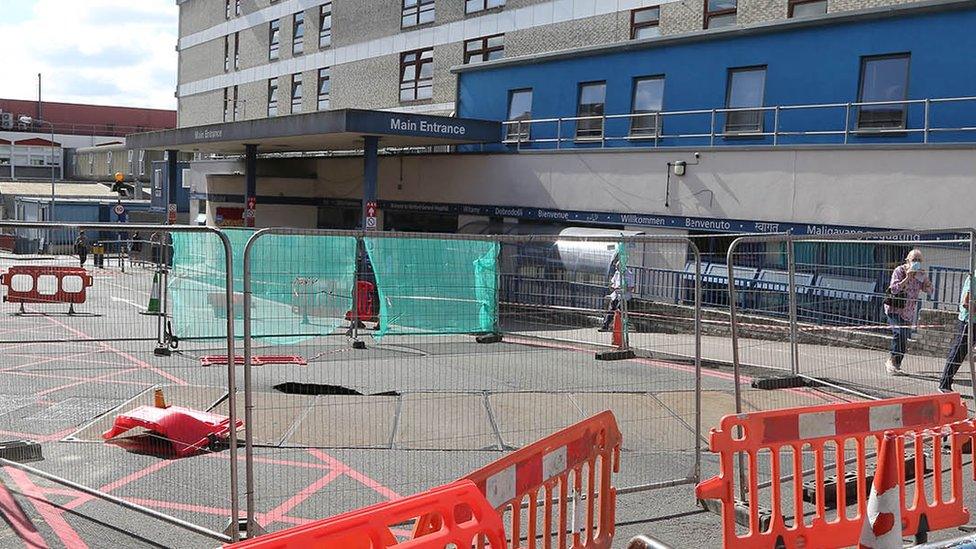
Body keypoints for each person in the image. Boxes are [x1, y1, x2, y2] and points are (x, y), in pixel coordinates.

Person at [883, 249, 932, 375]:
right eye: (914, 260)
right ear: (907, 260)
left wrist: (927, 285)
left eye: (919, 260)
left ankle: (897, 364)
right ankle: (891, 361)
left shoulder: (920, 274)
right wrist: (907, 277)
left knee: (904, 338)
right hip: (895, 308)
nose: (916, 262)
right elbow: (893, 289)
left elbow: (930, 291)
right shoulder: (900, 271)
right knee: (899, 333)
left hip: (908, 311)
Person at [939, 271, 974, 393]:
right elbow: (966, 303)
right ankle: (944, 384)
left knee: (960, 351)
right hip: (969, 321)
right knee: (959, 351)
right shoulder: (974, 276)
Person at [600, 259, 623, 332]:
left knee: (619, 312)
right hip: (615, 295)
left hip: (623, 297)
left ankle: (618, 328)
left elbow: (631, 287)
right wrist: (613, 287)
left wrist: (622, 289)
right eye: (616, 267)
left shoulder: (628, 274)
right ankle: (605, 326)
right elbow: (612, 283)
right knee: (610, 311)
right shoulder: (616, 273)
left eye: (618, 267)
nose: (617, 268)